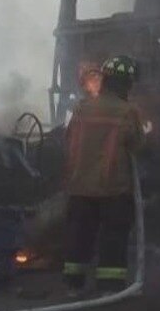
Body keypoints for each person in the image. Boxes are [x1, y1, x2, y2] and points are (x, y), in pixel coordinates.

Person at [62, 55, 145, 295]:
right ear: (127, 84)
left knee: (78, 235)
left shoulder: (81, 107)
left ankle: (73, 285)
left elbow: (67, 140)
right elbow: (137, 145)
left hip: (79, 185)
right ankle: (109, 288)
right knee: (113, 237)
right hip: (112, 188)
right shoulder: (128, 111)